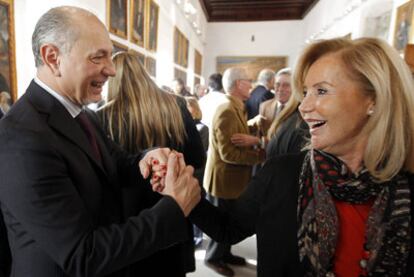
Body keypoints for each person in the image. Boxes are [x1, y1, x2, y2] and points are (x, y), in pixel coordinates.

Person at [186, 37, 414, 276]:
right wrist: (185, 193)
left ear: (373, 100)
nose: (303, 107)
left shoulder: (404, 188)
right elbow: (228, 228)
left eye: (321, 91)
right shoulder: (281, 174)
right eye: (305, 92)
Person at [0, 6, 200, 277]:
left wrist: (147, 159)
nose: (111, 70)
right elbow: (83, 254)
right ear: (53, 58)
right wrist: (174, 209)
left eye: (110, 55)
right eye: (98, 57)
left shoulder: (83, 115)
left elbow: (115, 164)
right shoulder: (22, 137)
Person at [98, 51, 206, 277]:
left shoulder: (103, 116)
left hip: (130, 215)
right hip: (173, 200)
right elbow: (197, 157)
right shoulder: (175, 104)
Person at [203, 67, 265, 277]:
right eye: (248, 81)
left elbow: (235, 133)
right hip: (223, 181)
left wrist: (251, 126)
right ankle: (213, 257)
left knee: (229, 220)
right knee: (221, 222)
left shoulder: (236, 108)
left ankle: (225, 253)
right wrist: (260, 156)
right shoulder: (227, 110)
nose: (251, 84)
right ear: (239, 84)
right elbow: (228, 153)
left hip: (231, 181)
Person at [259, 68, 292, 134]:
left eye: (286, 85)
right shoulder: (264, 106)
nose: (280, 89)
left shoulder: (301, 109)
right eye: (277, 84)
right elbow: (261, 133)